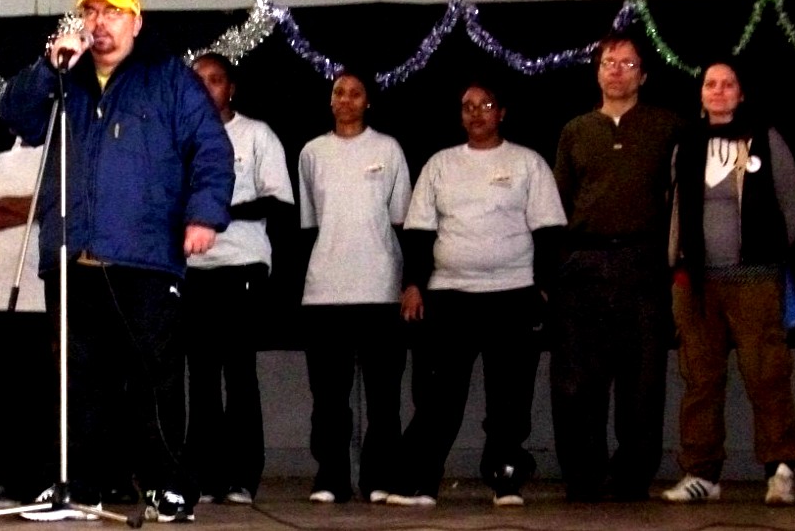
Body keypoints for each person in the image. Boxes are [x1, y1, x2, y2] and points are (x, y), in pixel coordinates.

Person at [0, 0, 234, 523]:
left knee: (153, 378)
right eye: (91, 12)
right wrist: (49, 67)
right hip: (73, 254)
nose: (100, 23)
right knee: (77, 379)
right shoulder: (66, 78)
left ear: (136, 21)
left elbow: (211, 149)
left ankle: (166, 487)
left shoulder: (169, 78)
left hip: (145, 256)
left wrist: (203, 215)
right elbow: (15, 116)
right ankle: (79, 487)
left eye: (113, 12)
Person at [390, 82, 566, 507]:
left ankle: (505, 480)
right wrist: (413, 284)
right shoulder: (440, 164)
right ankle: (421, 483)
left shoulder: (527, 163)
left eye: (485, 105)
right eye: (467, 106)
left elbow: (549, 230)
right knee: (437, 398)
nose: (476, 113)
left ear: (501, 112)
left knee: (510, 397)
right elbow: (418, 232)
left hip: (512, 295)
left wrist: (544, 288)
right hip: (449, 296)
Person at [661, 59, 795, 505]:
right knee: (700, 380)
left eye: (728, 84)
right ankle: (702, 473)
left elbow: (792, 206)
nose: (719, 91)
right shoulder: (686, 142)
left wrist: (767, 256)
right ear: (701, 94)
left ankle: (780, 468)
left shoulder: (766, 138)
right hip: (695, 282)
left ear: (741, 94)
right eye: (711, 84)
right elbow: (674, 205)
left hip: (754, 280)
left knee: (767, 375)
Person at [550, 33, 683, 502]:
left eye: (628, 63)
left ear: (643, 75)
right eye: (609, 62)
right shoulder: (576, 130)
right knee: (577, 381)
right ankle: (583, 476)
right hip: (583, 264)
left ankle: (632, 478)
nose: (617, 71)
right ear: (597, 71)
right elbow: (560, 203)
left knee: (642, 380)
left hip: (643, 264)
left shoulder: (667, 127)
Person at [184, 53, 294, 505]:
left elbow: (279, 202)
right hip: (193, 270)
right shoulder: (179, 135)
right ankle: (204, 475)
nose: (206, 87)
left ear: (231, 89)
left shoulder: (256, 134)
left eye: (215, 80)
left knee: (239, 373)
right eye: (198, 80)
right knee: (201, 377)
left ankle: (242, 476)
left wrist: (217, 214)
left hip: (242, 267)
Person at [297, 70, 411, 504]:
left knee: (383, 396)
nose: (346, 100)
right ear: (330, 101)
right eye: (338, 93)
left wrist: (406, 281)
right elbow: (309, 222)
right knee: (329, 397)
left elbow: (401, 219)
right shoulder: (312, 152)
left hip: (380, 287)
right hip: (325, 291)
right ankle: (331, 476)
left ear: (368, 102)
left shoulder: (388, 149)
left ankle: (380, 476)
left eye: (355, 93)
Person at [0, 140, 54, 507]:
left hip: (41, 296)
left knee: (38, 395)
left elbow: (57, 207)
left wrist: (5, 204)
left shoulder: (62, 157)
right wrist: (33, 208)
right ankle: (3, 480)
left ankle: (40, 480)